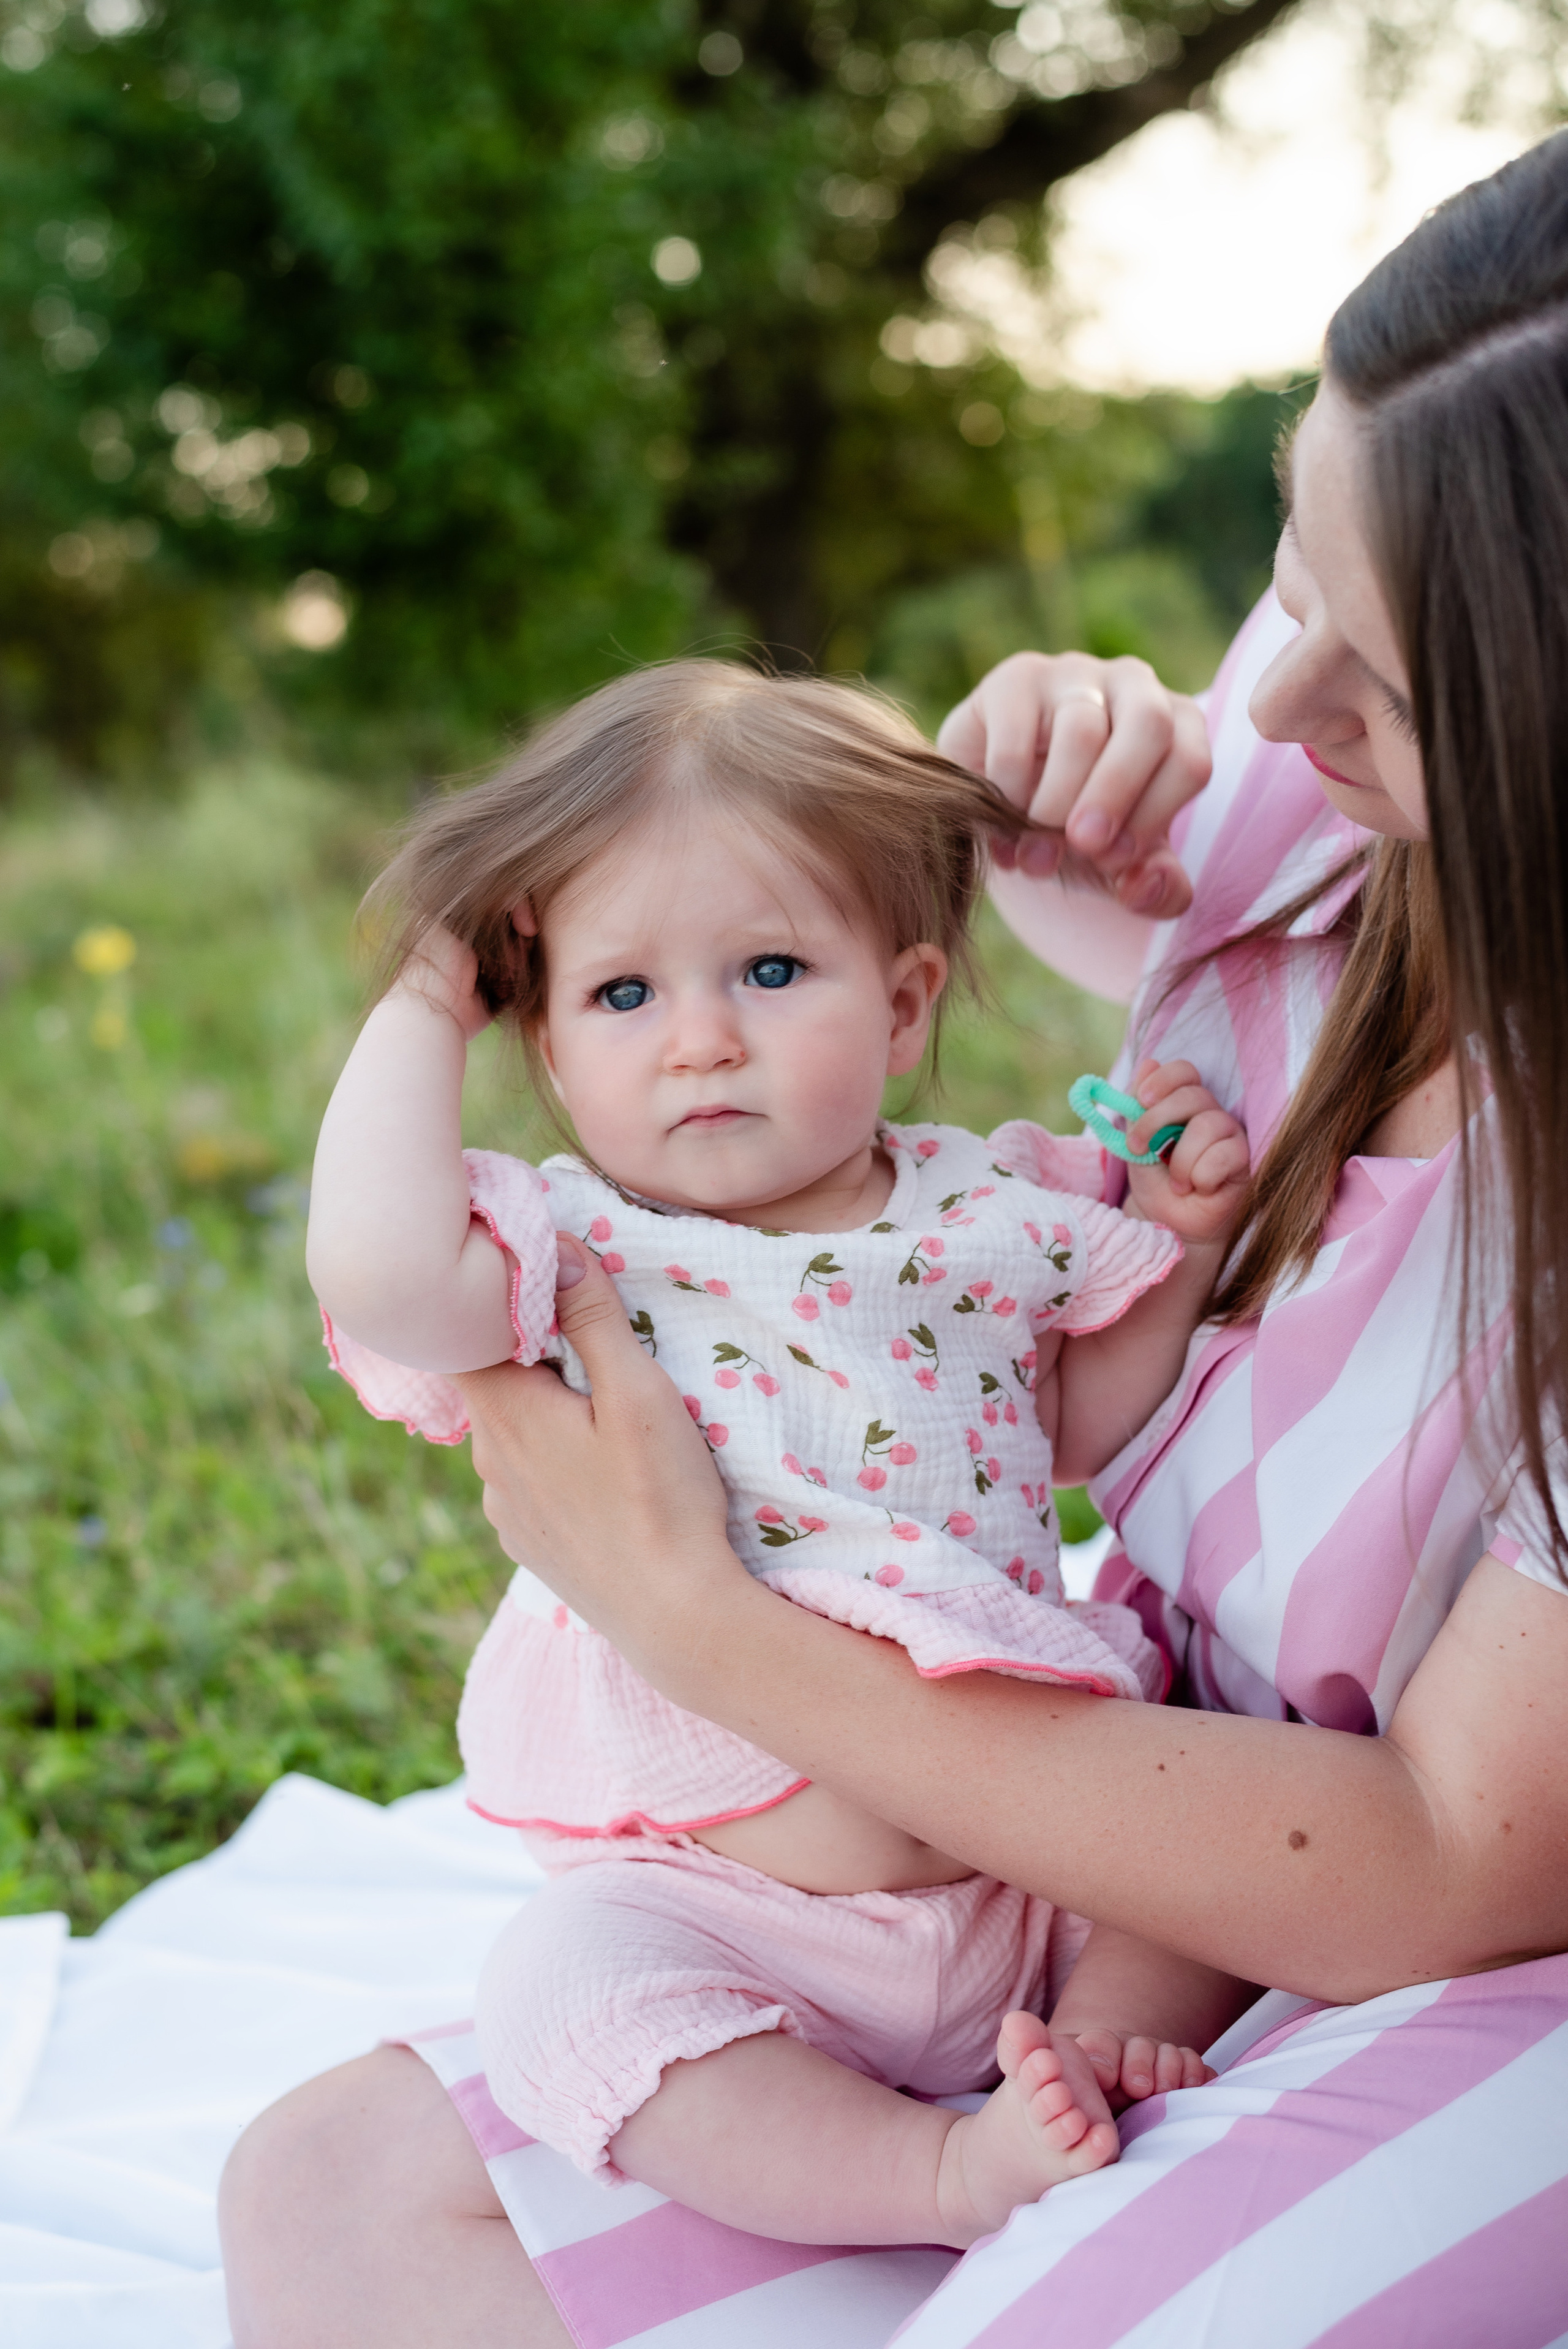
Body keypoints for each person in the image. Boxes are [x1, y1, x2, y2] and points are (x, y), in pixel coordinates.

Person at [221, 134, 1568, 2349]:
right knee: (341, 2196)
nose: (1284, 697)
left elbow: (1449, 1855)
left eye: (1382, 683)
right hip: (1076, 1818)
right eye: (1285, 574)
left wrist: (702, 1622)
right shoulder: (1353, 714)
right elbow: (1096, 877)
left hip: (1421, 1927)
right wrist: (1067, 758)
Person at [302, 661, 1250, 2249]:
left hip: (1036, 1865)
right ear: (541, 1037)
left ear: (903, 999)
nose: (701, 1042)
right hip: (741, 1918)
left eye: (767, 968)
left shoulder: (986, 1212)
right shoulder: (578, 1248)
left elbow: (1077, 1424)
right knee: (563, 1990)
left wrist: (1180, 1234)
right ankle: (942, 2180)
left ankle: (1094, 2045)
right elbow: (383, 1274)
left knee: (1220, 1835)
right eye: (623, 995)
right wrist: (418, 999)